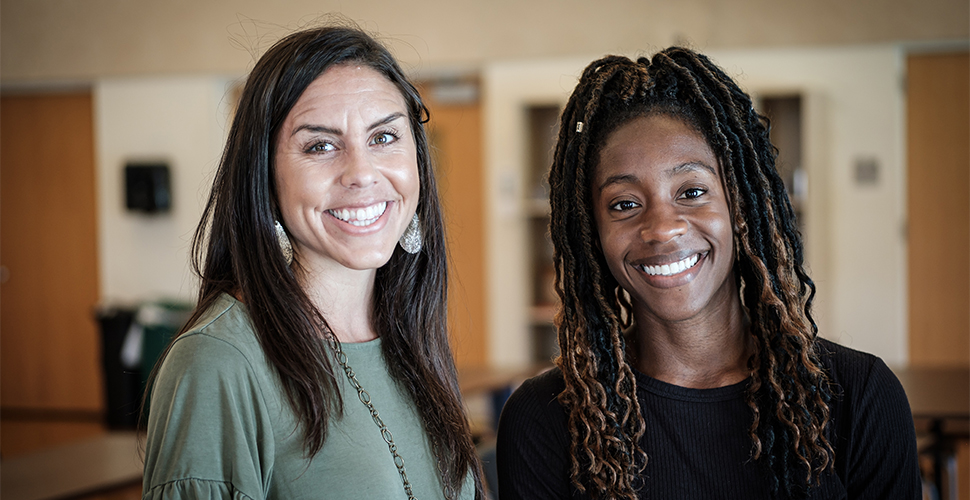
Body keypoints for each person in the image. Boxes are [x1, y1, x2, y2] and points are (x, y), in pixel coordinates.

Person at [496, 48, 921, 500]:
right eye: (624, 204)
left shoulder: (859, 399)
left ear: (739, 205)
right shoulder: (546, 420)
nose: (661, 228)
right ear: (591, 231)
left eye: (692, 191)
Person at [142, 25, 484, 499]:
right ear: (265, 175)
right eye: (320, 146)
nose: (362, 174)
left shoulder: (408, 336)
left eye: (384, 137)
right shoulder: (218, 363)